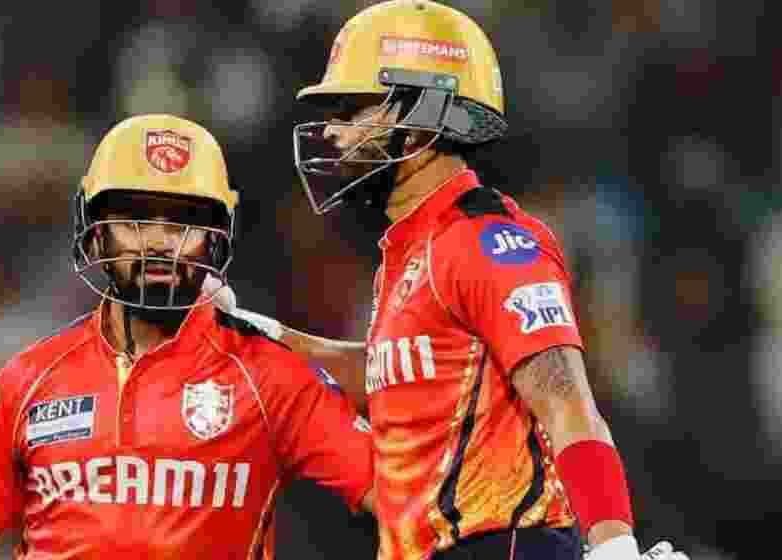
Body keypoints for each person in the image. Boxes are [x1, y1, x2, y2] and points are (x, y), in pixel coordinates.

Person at [205, 2, 689, 559]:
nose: (334, 134)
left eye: (354, 109)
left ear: (422, 119)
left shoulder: (487, 242)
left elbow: (564, 397)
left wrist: (613, 545)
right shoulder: (411, 246)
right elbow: (395, 382)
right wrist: (248, 330)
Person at [0, 114, 374, 559]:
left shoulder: (268, 374)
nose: (158, 242)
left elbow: (406, 496)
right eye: (133, 221)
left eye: (182, 224)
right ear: (95, 235)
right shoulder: (28, 379)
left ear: (217, 238)